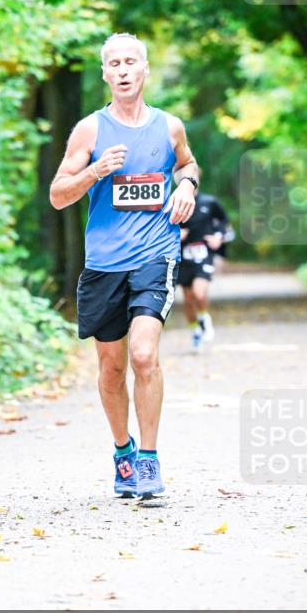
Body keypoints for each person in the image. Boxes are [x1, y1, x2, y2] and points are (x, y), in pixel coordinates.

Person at [50, 32, 198, 499]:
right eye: (113, 63)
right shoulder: (89, 131)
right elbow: (57, 195)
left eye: (131, 61)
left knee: (143, 354)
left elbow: (187, 165)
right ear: (105, 74)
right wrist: (95, 171)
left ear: (145, 69)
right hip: (105, 263)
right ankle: (123, 452)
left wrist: (187, 187)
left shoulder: (169, 126)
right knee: (111, 368)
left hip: (156, 255)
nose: (123, 70)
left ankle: (150, 460)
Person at [178, 191, 234, 348]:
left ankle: (203, 317)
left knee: (199, 292)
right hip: (183, 255)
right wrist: (175, 233)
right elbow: (162, 225)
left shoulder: (209, 201)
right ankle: (194, 331)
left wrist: (219, 237)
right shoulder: (174, 201)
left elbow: (224, 221)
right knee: (188, 299)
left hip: (204, 253)